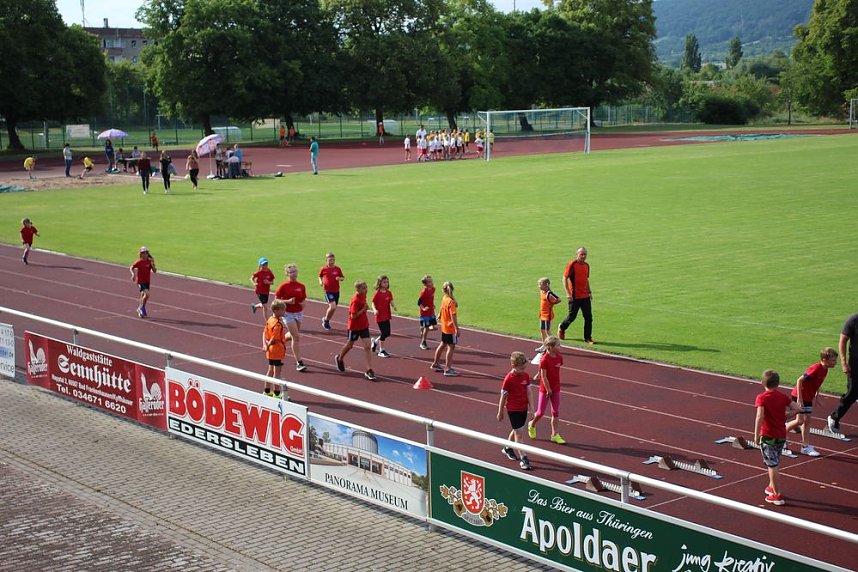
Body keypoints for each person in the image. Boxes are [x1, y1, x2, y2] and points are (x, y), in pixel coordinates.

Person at [754, 369, 800, 506]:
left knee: (772, 465)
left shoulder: (761, 398)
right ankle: (770, 487)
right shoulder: (782, 396)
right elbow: (797, 408)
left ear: (762, 383)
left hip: (768, 436)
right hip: (781, 436)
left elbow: (759, 417)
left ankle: (777, 494)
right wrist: (784, 417)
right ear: (778, 383)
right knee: (775, 461)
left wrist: (756, 435)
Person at [787, 348, 837, 456]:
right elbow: (799, 380)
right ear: (824, 359)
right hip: (799, 395)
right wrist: (799, 399)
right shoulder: (816, 368)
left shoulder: (825, 369)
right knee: (800, 421)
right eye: (833, 360)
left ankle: (805, 446)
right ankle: (779, 433)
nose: (835, 362)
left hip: (808, 398)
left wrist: (817, 395)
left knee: (807, 421)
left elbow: (817, 383)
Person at [497, 351, 534, 470]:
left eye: (524, 368)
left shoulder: (525, 376)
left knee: (517, 429)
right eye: (521, 368)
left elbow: (529, 392)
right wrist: (500, 411)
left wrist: (532, 408)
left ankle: (508, 447)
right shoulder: (508, 379)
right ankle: (524, 458)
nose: (523, 370)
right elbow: (503, 396)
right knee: (519, 433)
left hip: (523, 408)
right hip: (513, 409)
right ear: (513, 366)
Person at [334, 281, 376, 381]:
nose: (366, 290)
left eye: (366, 287)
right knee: (350, 345)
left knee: (367, 346)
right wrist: (364, 309)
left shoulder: (363, 296)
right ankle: (340, 358)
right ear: (357, 290)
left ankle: (369, 369)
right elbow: (353, 316)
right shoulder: (355, 300)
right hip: (354, 327)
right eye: (363, 288)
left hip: (364, 325)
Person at [527, 336, 566, 444]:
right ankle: (532, 424)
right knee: (540, 413)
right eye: (558, 345)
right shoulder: (544, 359)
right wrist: (548, 389)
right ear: (551, 347)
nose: (560, 347)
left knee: (555, 412)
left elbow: (555, 370)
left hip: (556, 388)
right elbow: (544, 377)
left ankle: (554, 434)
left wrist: (553, 388)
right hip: (545, 389)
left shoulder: (559, 357)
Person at [274, 263, 308, 372]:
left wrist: (303, 304)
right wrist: (287, 301)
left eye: (295, 271)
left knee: (294, 333)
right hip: (287, 313)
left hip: (298, 313)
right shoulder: (283, 286)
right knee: (296, 337)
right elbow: (276, 301)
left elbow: (303, 299)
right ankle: (299, 362)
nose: (294, 274)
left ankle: (279, 339)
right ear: (287, 274)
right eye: (291, 272)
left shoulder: (301, 286)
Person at [558, 247, 595, 344]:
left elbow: (586, 279)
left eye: (585, 254)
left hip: (585, 296)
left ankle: (588, 338)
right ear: (577, 254)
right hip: (574, 296)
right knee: (572, 317)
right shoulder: (572, 264)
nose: (583, 256)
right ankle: (562, 327)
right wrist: (567, 293)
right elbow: (564, 278)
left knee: (588, 317)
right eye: (581, 254)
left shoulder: (587, 265)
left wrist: (589, 291)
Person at [828, 312, 858, 433]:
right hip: (856, 362)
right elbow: (843, 341)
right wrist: (844, 363)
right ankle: (835, 417)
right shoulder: (853, 320)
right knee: (853, 392)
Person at [431, 281, 459, 377]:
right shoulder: (451, 302)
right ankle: (447, 368)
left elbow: (442, 308)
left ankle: (435, 363)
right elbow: (453, 316)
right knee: (451, 347)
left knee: (443, 344)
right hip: (450, 328)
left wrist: (439, 315)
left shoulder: (445, 298)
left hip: (444, 326)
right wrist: (457, 329)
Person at [262, 300, 289, 398]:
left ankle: (267, 390)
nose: (284, 312)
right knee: (277, 372)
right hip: (276, 350)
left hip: (270, 351)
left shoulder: (270, 320)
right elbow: (274, 339)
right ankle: (277, 393)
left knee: (270, 370)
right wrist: (268, 345)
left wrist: (265, 345)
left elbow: (264, 334)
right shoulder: (277, 324)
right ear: (277, 311)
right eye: (283, 310)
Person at [371, 275, 397, 358]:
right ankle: (381, 350)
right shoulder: (377, 293)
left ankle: (375, 342)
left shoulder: (389, 293)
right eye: (384, 282)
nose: (386, 284)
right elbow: (373, 303)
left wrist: (394, 306)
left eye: (387, 282)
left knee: (388, 333)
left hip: (387, 315)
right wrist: (374, 310)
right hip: (380, 316)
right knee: (384, 333)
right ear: (380, 283)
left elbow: (391, 301)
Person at [318, 252, 344, 330]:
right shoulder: (324, 269)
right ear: (326, 260)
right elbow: (320, 276)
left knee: (334, 308)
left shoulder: (337, 269)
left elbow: (342, 277)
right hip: (328, 291)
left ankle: (326, 319)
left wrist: (339, 278)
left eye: (333, 260)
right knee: (332, 306)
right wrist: (320, 281)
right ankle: (326, 321)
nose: (332, 262)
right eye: (330, 260)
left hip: (336, 291)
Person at [536, 277, 562, 353]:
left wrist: (552, 304)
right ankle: (544, 345)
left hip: (548, 315)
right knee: (542, 330)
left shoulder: (549, 294)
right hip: (542, 314)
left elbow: (559, 299)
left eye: (540, 284)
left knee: (548, 331)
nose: (539, 286)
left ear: (546, 285)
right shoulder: (542, 292)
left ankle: (557, 343)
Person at [130, 247, 157, 318]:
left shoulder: (150, 261)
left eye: (145, 253)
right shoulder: (139, 262)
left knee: (142, 296)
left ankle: (140, 309)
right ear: (140, 254)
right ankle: (141, 308)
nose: (144, 254)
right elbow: (131, 267)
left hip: (147, 281)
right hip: (140, 281)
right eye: (142, 253)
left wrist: (152, 265)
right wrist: (133, 274)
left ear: (148, 253)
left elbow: (154, 271)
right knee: (147, 295)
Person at [417, 275, 437, 350]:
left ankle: (423, 329)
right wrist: (424, 308)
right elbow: (419, 302)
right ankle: (423, 343)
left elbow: (430, 299)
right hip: (425, 314)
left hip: (431, 312)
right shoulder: (424, 292)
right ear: (425, 284)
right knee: (427, 328)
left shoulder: (433, 289)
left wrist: (433, 304)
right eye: (429, 282)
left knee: (435, 327)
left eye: (431, 281)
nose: (431, 283)